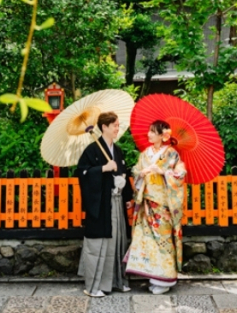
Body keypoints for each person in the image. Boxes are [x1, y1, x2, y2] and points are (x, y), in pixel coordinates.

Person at [125, 120, 186, 295]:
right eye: (149, 131)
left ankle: (165, 279)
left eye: (152, 132)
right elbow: (136, 171)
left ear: (162, 135)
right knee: (149, 241)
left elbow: (180, 174)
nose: (149, 135)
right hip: (147, 204)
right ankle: (154, 277)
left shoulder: (172, 154)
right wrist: (141, 173)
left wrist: (164, 172)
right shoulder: (145, 154)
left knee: (163, 242)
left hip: (163, 206)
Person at [76, 111, 133, 297]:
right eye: (115, 125)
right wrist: (102, 168)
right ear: (104, 127)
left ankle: (117, 281)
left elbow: (123, 172)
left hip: (116, 202)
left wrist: (126, 194)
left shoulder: (117, 151)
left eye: (118, 125)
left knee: (118, 241)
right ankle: (93, 286)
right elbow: (82, 173)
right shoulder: (92, 150)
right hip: (100, 204)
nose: (117, 128)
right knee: (99, 244)